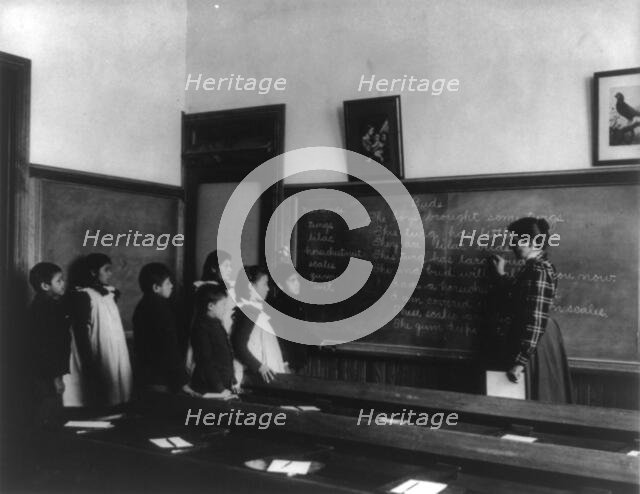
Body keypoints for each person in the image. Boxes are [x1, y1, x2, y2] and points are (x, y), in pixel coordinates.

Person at [488, 217, 572, 403]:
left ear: (533, 242)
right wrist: (501, 275)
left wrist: (520, 362)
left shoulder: (538, 270)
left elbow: (535, 318)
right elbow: (521, 298)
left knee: (534, 397)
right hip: (534, 339)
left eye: (516, 240)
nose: (512, 246)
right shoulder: (533, 268)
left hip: (534, 341)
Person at [65, 253, 132, 408]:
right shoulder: (82, 295)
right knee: (97, 395)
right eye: (106, 269)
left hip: (113, 349)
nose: (110, 273)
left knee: (115, 391)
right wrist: (89, 363)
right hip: (97, 349)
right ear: (93, 272)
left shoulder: (109, 293)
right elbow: (81, 333)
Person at [133, 263, 198, 397]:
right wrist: (182, 381)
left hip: (146, 373)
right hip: (162, 377)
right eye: (168, 283)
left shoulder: (142, 306)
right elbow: (169, 346)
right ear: (156, 288)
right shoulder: (160, 309)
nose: (172, 286)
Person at [28, 262, 71, 425]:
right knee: (47, 416)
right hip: (46, 374)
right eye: (59, 281)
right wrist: (56, 377)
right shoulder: (45, 310)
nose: (63, 284)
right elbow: (46, 347)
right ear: (45, 286)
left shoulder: (49, 305)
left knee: (50, 415)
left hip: (48, 373)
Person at [231, 266, 288, 384]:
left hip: (265, 374)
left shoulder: (253, 309)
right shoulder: (248, 310)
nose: (268, 289)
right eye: (264, 284)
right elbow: (238, 345)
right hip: (258, 376)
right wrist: (259, 367)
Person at [190, 284, 238, 396]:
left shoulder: (216, 323)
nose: (225, 308)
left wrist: (232, 379)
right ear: (210, 306)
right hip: (211, 387)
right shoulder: (201, 327)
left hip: (222, 385)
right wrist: (220, 388)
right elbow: (206, 361)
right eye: (222, 304)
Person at [269, 264, 309, 372]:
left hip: (296, 361)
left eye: (297, 279)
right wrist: (284, 362)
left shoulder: (297, 304)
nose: (297, 284)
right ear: (281, 285)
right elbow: (279, 338)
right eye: (292, 281)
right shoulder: (279, 306)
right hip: (285, 363)